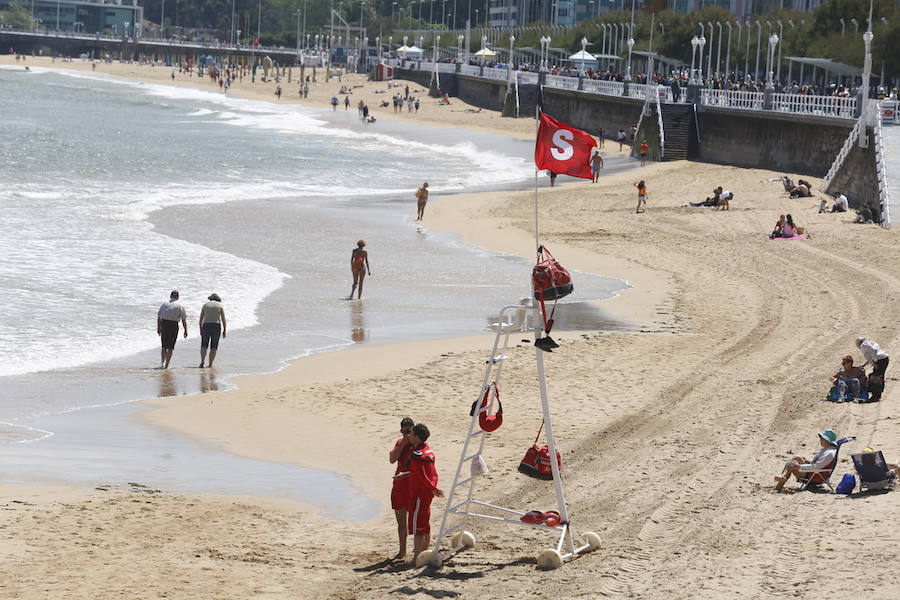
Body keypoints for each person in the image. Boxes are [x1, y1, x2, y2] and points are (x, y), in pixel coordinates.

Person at [404, 423, 444, 564]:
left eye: (411, 433)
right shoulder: (428, 452)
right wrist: (433, 488)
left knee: (418, 528)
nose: (409, 435)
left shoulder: (417, 454)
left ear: (417, 437)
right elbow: (431, 473)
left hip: (420, 494)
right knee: (425, 524)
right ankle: (425, 554)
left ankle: (417, 559)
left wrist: (432, 488)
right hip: (426, 494)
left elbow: (422, 476)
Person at [774, 429, 839, 492]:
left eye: (822, 439)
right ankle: (783, 477)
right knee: (796, 458)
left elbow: (817, 466)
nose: (820, 440)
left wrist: (799, 467)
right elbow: (819, 463)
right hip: (814, 472)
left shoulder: (829, 453)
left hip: (815, 475)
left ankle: (779, 485)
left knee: (791, 465)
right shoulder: (826, 450)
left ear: (828, 441)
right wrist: (807, 461)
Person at [389, 417, 415, 560]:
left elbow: (422, 469)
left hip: (412, 486)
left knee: (417, 520)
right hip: (399, 486)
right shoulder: (400, 442)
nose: (407, 434)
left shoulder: (418, 444)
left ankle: (418, 550)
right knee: (401, 520)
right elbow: (392, 459)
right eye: (404, 432)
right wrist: (403, 442)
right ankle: (402, 550)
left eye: (409, 431)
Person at [157, 290, 188, 369]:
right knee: (170, 347)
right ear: (177, 297)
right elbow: (183, 320)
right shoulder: (180, 306)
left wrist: (158, 328)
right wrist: (185, 330)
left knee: (164, 346)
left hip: (164, 324)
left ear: (170, 296)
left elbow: (159, 317)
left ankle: (162, 363)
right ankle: (167, 365)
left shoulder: (164, 304)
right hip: (173, 326)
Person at [857, 336, 889, 401]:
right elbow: (871, 355)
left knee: (876, 377)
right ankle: (877, 395)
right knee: (879, 376)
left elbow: (873, 352)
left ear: (859, 343)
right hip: (885, 359)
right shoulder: (870, 343)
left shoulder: (863, 346)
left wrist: (875, 363)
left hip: (880, 360)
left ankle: (876, 396)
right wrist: (865, 365)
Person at [198, 293, 226, 368]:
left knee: (204, 345)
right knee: (214, 346)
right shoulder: (220, 306)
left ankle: (202, 361)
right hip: (216, 326)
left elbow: (201, 319)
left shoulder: (205, 305)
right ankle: (210, 364)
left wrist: (200, 329)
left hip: (206, 325)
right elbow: (223, 319)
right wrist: (224, 330)